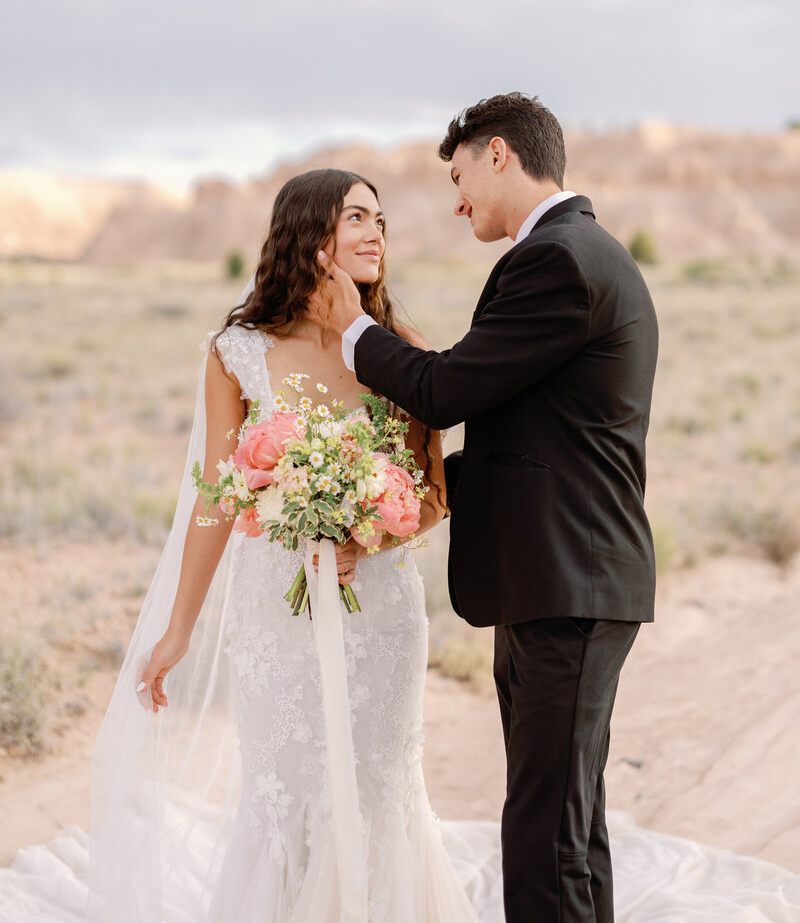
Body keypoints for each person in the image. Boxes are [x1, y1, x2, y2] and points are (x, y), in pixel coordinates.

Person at [88, 169, 483, 923]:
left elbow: (433, 492)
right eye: (356, 218)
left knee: (375, 785)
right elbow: (215, 496)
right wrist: (178, 630)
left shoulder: (401, 349)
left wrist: (367, 538)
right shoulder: (236, 352)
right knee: (287, 787)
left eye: (381, 221)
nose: (375, 234)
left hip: (380, 608)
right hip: (275, 606)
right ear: (309, 233)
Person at [312, 93, 659, 923]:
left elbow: (445, 391)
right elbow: (527, 448)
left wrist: (352, 329)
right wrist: (390, 507)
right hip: (558, 579)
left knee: (545, 834)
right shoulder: (574, 253)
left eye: (460, 175)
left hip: (567, 582)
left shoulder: (559, 260)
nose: (457, 198)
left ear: (498, 154)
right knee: (566, 825)